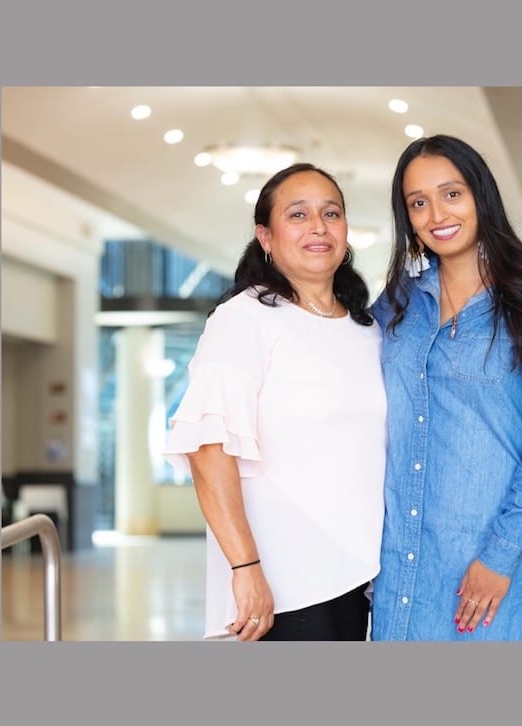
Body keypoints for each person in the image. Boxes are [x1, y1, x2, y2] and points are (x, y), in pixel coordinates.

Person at [370, 135, 522, 640]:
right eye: (417, 203)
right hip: (398, 565)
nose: (435, 214)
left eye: (452, 194)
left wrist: (500, 556)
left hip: (486, 573)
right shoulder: (399, 304)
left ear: (480, 196)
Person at [164, 163, 386, 641]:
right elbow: (209, 451)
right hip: (281, 579)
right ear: (265, 236)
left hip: (360, 576)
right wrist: (245, 567)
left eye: (331, 213)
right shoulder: (243, 319)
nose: (318, 227)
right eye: (298, 214)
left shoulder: (368, 330)